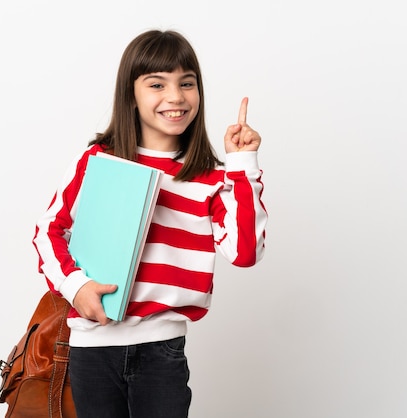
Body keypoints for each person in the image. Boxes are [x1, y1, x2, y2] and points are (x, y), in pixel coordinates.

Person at [32, 29, 267, 418]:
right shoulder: (97, 161)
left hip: (162, 349)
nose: (175, 96)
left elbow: (245, 253)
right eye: (157, 84)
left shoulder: (210, 177)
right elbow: (47, 232)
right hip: (92, 348)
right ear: (132, 94)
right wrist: (77, 286)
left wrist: (242, 166)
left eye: (186, 84)